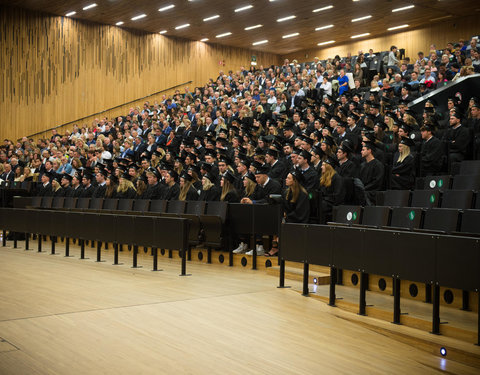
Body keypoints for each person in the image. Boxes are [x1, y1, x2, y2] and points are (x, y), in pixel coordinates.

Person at [319, 158, 345, 223]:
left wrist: (325, 199)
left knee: (322, 205)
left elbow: (338, 196)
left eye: (323, 165)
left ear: (328, 167)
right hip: (325, 201)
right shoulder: (323, 177)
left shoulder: (337, 178)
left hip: (333, 203)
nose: (321, 167)